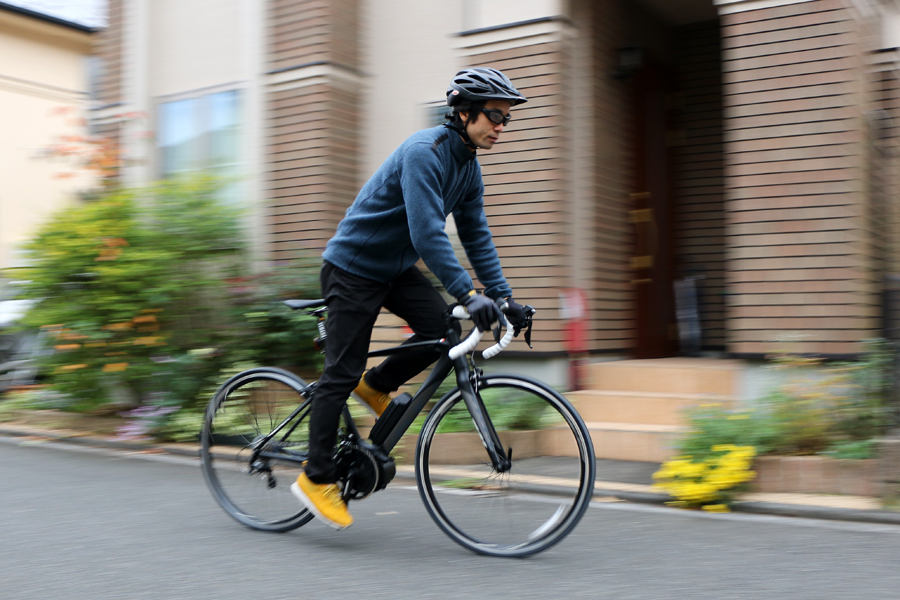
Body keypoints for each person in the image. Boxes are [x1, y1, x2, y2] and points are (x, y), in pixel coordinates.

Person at [290, 67, 531, 529]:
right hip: (353, 268)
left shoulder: (468, 168)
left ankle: (377, 385)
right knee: (339, 373)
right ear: (463, 113)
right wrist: (465, 290)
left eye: (506, 119)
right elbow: (426, 233)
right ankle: (315, 476)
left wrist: (502, 297)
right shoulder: (426, 152)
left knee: (443, 329)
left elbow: (477, 235)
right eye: (494, 116)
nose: (501, 126)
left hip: (395, 269)